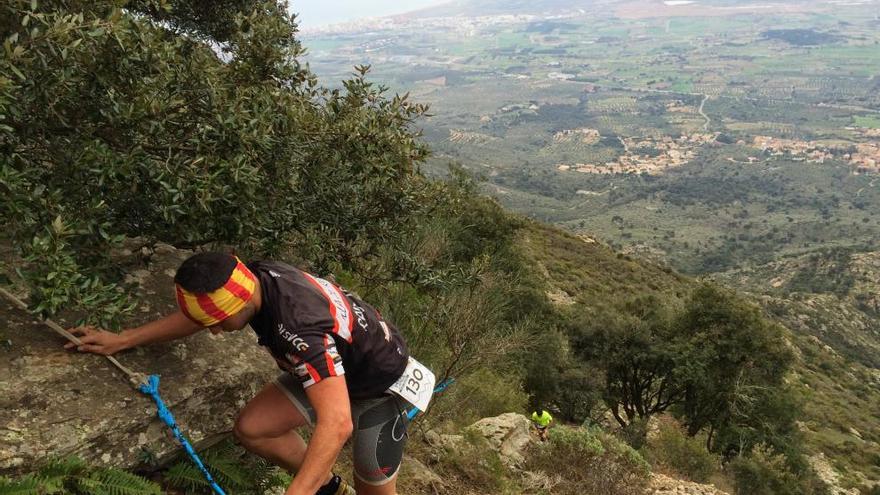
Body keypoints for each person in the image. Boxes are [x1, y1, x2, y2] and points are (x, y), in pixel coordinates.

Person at [67, 252, 422, 495]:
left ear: (240, 302)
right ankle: (328, 488)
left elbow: (338, 422)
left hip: (379, 385)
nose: (214, 332)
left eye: (219, 323)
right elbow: (200, 314)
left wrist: (296, 490)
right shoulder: (251, 276)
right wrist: (123, 340)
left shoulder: (297, 327)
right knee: (253, 428)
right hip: (333, 367)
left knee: (371, 488)